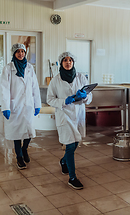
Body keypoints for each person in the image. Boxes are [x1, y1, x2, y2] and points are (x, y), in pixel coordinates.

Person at [47, 52, 92, 190]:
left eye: (70, 60)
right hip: (64, 115)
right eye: (65, 60)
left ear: (73, 62)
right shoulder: (55, 80)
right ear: (61, 63)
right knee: (70, 146)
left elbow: (90, 97)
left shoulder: (81, 77)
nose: (68, 62)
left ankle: (63, 161)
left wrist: (85, 96)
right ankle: (72, 178)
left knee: (76, 142)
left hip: (78, 115)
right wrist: (63, 101)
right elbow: (49, 99)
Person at [0, 43, 41, 170]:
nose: (20, 53)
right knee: (16, 133)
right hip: (15, 105)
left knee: (29, 131)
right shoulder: (8, 68)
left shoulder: (30, 67)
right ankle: (19, 157)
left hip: (28, 104)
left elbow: (35, 86)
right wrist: (6, 106)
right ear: (14, 53)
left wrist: (37, 104)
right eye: (18, 51)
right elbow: (4, 88)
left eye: (22, 51)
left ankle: (24, 149)